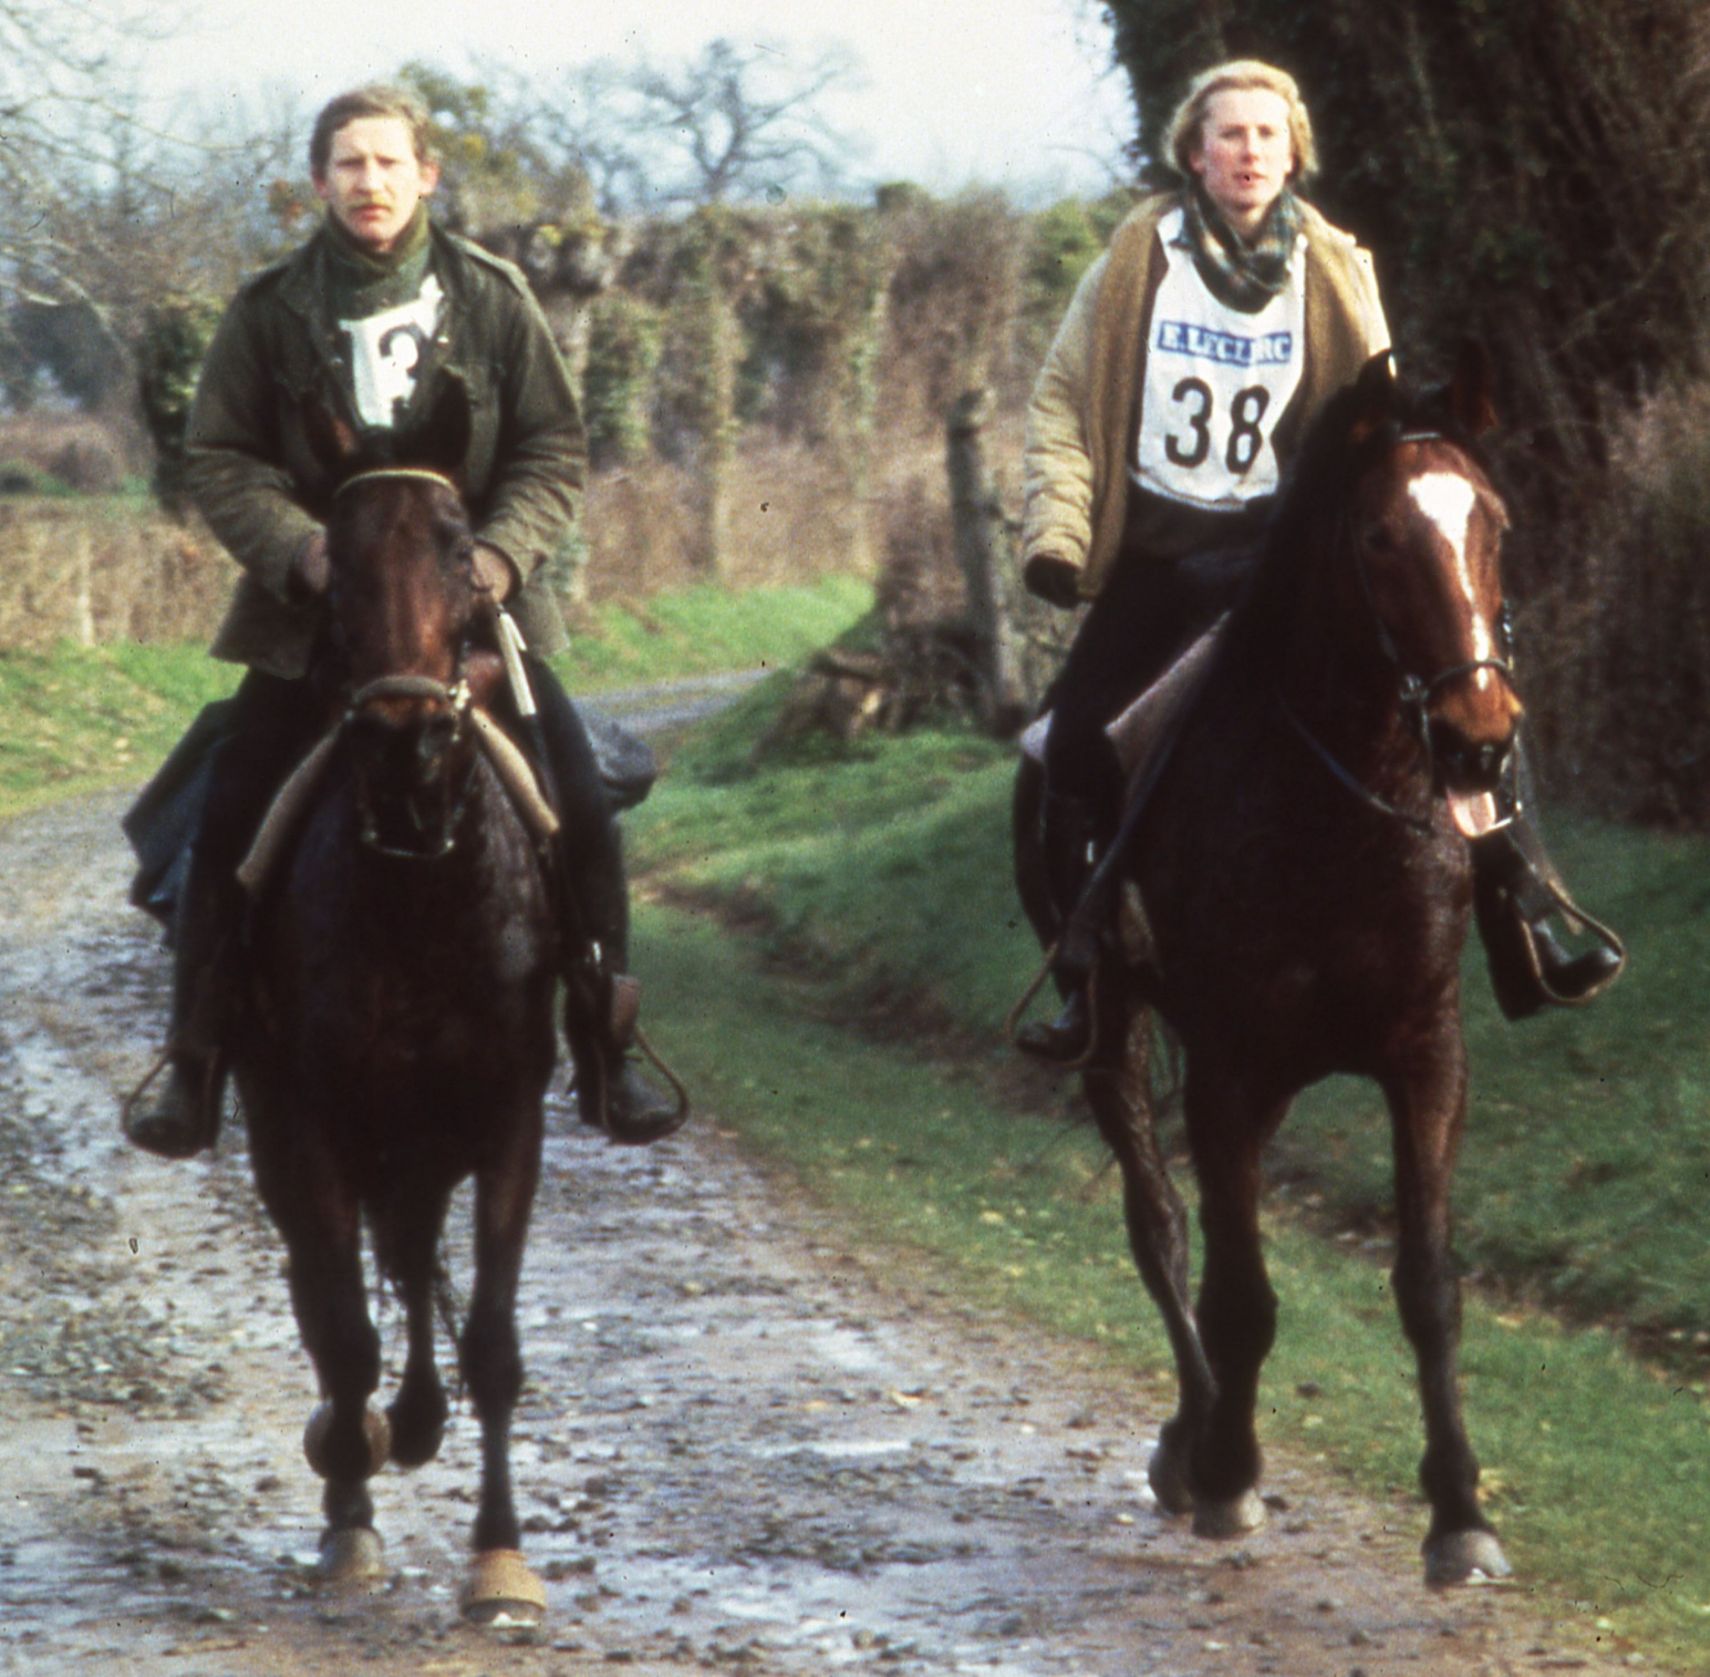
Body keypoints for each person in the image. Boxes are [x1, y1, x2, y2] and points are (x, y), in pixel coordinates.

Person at [1015, 59, 1623, 1062]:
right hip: (1161, 560)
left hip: (1279, 559)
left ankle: (1525, 914)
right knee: (1074, 740)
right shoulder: (1134, 260)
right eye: (1229, 134)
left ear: (1293, 153)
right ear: (1194, 154)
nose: (1249, 151)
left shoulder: (1334, 265)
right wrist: (1058, 533)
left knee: (1461, 699)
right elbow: (1062, 403)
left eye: (1268, 134)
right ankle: (1084, 973)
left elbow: (1378, 415)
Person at [123, 84, 680, 1153]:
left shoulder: (494, 296)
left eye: (388, 162)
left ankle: (609, 1051)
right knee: (229, 807)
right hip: (318, 623)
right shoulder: (269, 309)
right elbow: (221, 456)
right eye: (348, 164)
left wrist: (498, 559)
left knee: (577, 796)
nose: (368, 182)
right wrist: (302, 552)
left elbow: (553, 448)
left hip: (473, 619)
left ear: (426, 175)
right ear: (319, 181)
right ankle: (193, 1062)